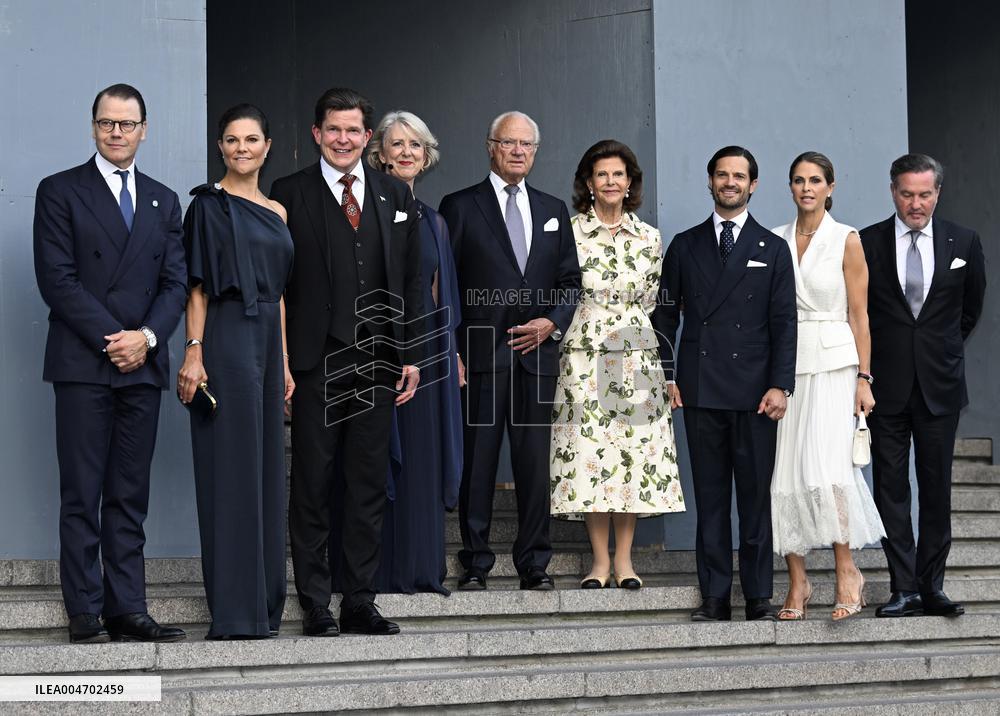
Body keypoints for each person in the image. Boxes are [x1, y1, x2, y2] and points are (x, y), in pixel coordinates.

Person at [33, 83, 187, 643]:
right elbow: (58, 281)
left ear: (144, 129)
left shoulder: (163, 199)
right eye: (107, 123)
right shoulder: (59, 191)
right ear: (93, 126)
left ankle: (129, 608)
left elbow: (174, 283)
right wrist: (114, 337)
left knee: (129, 493)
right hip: (82, 362)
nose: (116, 133)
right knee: (82, 491)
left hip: (141, 366)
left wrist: (144, 337)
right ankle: (85, 610)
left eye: (126, 124)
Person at [270, 88, 424, 637]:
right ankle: (315, 602)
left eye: (353, 130)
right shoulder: (288, 192)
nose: (343, 139)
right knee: (312, 482)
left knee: (366, 484)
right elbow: (278, 284)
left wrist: (410, 354)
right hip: (316, 362)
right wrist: (283, 360)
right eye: (333, 129)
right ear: (317, 134)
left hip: (379, 362)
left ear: (368, 138)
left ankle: (360, 599)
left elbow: (410, 279)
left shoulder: (393, 194)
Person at [652, 146, 797, 622]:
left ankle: (758, 596)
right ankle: (714, 596)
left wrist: (781, 386)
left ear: (753, 185)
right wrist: (668, 377)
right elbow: (665, 317)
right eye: (722, 174)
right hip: (700, 389)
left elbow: (783, 323)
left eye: (739, 176)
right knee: (711, 501)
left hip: (757, 395)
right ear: (710, 181)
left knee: (754, 502)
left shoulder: (772, 248)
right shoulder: (685, 244)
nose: (730, 182)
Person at [439, 111, 581, 591]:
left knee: (534, 465)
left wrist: (552, 322)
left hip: (536, 358)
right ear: (490, 146)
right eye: (509, 143)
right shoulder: (459, 206)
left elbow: (570, 283)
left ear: (535, 152)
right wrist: (452, 349)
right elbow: (449, 285)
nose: (518, 151)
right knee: (478, 463)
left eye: (527, 145)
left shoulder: (553, 208)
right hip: (481, 355)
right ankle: (475, 563)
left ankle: (534, 564)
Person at [327, 111, 463, 595]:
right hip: (374, 347)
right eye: (397, 144)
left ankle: (417, 568)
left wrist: (452, 355)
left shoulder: (435, 221)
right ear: (378, 152)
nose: (406, 152)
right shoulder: (365, 209)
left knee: (420, 461)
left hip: (426, 351)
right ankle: (371, 574)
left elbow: (439, 291)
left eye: (416, 145)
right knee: (370, 460)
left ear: (426, 157)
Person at [177, 104, 295, 639]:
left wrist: (287, 363)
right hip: (224, 336)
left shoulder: (278, 210)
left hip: (269, 341)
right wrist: (194, 351)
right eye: (231, 140)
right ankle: (234, 610)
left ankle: (265, 605)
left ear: (267, 146)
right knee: (230, 470)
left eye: (251, 139)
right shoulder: (206, 207)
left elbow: (282, 294)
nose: (241, 148)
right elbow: (196, 287)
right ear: (220, 147)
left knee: (268, 469)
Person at [550, 140, 684, 589]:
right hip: (583, 354)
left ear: (630, 183)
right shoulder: (568, 232)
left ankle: (625, 562)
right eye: (602, 174)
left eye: (619, 174)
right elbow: (563, 290)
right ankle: (599, 563)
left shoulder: (649, 238)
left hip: (635, 354)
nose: (611, 182)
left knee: (631, 457)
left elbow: (650, 299)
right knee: (590, 455)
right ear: (588, 183)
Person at [861, 153, 986, 618]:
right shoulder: (867, 242)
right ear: (893, 191)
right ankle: (904, 587)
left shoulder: (964, 241)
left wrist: (941, 351)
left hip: (940, 387)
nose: (916, 203)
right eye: (908, 194)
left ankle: (932, 587)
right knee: (890, 489)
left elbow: (969, 310)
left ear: (938, 193)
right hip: (885, 387)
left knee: (936, 490)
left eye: (925, 194)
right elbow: (860, 314)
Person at [770, 151, 886, 621]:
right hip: (786, 368)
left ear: (831, 187)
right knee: (785, 474)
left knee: (830, 468)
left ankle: (846, 571)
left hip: (837, 365)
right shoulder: (775, 239)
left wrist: (864, 377)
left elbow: (860, 315)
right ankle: (798, 581)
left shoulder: (847, 239)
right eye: (798, 180)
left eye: (815, 180)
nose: (806, 188)